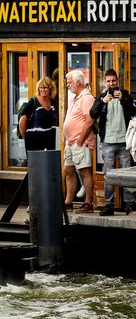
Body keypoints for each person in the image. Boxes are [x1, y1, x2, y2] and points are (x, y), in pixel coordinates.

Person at [89, 68, 136, 216]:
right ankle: (109, 204)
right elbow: (92, 114)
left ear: (117, 80)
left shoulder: (125, 94)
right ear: (105, 81)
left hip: (124, 142)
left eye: (113, 80)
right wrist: (102, 102)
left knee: (127, 174)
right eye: (108, 81)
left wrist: (123, 98)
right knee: (108, 174)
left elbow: (134, 111)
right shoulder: (102, 96)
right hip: (108, 141)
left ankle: (129, 204)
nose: (111, 83)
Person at [63, 70, 96, 213]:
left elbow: (89, 121)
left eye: (69, 82)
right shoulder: (73, 98)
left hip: (80, 142)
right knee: (69, 171)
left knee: (84, 172)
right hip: (70, 142)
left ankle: (88, 203)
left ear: (77, 82)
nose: (67, 85)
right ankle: (68, 202)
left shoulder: (87, 98)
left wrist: (80, 140)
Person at [18, 76, 58, 153]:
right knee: (36, 164)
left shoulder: (53, 103)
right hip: (34, 143)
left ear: (50, 89)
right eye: (41, 88)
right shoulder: (33, 102)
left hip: (50, 142)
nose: (43, 90)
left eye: (46, 88)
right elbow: (22, 123)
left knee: (49, 164)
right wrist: (26, 139)